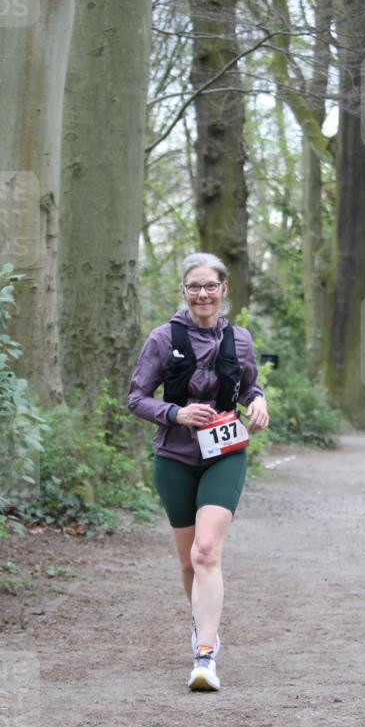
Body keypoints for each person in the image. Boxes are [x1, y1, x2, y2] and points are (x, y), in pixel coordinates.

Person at [128, 253, 269, 692]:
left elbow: (249, 386)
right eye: (194, 286)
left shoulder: (240, 340)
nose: (202, 294)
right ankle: (201, 623)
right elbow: (135, 398)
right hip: (174, 457)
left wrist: (258, 401)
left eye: (210, 286)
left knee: (207, 552)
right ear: (184, 291)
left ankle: (204, 656)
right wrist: (175, 412)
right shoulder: (161, 338)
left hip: (225, 453)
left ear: (224, 290)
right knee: (189, 559)